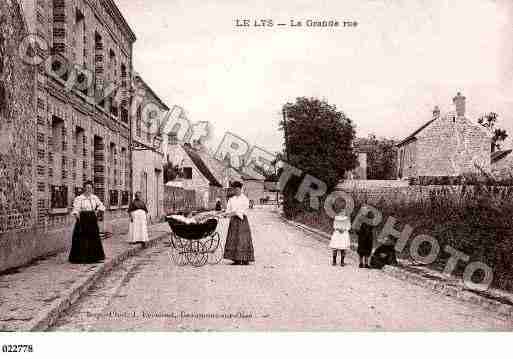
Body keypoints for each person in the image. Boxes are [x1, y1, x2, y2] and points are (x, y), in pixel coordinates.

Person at [69, 180, 106, 264]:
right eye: (87, 188)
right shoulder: (79, 198)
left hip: (92, 219)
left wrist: (97, 211)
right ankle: (80, 258)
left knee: (93, 237)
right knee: (82, 238)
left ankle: (93, 258)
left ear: (92, 189)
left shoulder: (94, 197)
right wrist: (77, 215)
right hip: (83, 219)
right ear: (84, 188)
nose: (88, 189)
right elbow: (76, 209)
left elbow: (101, 205)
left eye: (90, 188)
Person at [223, 181, 254, 265]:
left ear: (240, 189)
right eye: (234, 190)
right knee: (233, 238)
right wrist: (226, 214)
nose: (236, 191)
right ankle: (235, 259)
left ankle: (245, 259)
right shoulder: (231, 199)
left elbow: (244, 210)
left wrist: (234, 213)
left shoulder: (245, 199)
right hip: (233, 221)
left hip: (242, 221)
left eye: (237, 189)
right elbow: (228, 209)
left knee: (242, 239)